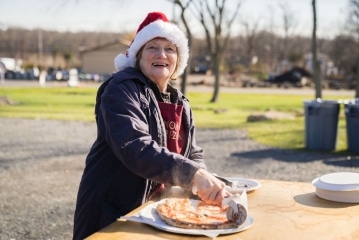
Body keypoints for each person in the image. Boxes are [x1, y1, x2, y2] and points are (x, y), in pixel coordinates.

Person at [73, 12, 229, 240]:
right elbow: (136, 147)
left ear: (178, 60)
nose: (161, 54)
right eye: (152, 47)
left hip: (157, 212)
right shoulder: (120, 89)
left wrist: (203, 183)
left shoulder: (180, 102)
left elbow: (192, 153)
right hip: (113, 212)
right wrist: (194, 175)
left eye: (170, 49)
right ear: (138, 56)